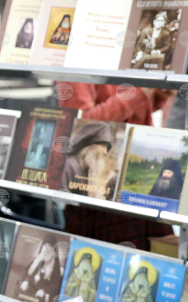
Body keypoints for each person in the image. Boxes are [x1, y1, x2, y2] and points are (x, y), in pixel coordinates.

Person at [55, 82, 175, 250]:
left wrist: (156, 96)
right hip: (102, 188)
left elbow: (134, 110)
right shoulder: (78, 69)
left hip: (141, 172)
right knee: (112, 257)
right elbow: (81, 123)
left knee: (157, 251)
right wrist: (138, 92)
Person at [61, 121, 114, 199]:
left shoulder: (87, 168)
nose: (105, 152)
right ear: (90, 145)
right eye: (103, 146)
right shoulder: (69, 165)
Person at [18, 234, 62, 302]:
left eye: (49, 246)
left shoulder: (55, 265)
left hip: (42, 294)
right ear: (42, 247)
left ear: (53, 250)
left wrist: (45, 290)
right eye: (45, 245)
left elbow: (55, 284)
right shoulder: (37, 259)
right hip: (30, 290)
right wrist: (26, 280)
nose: (46, 249)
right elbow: (26, 272)